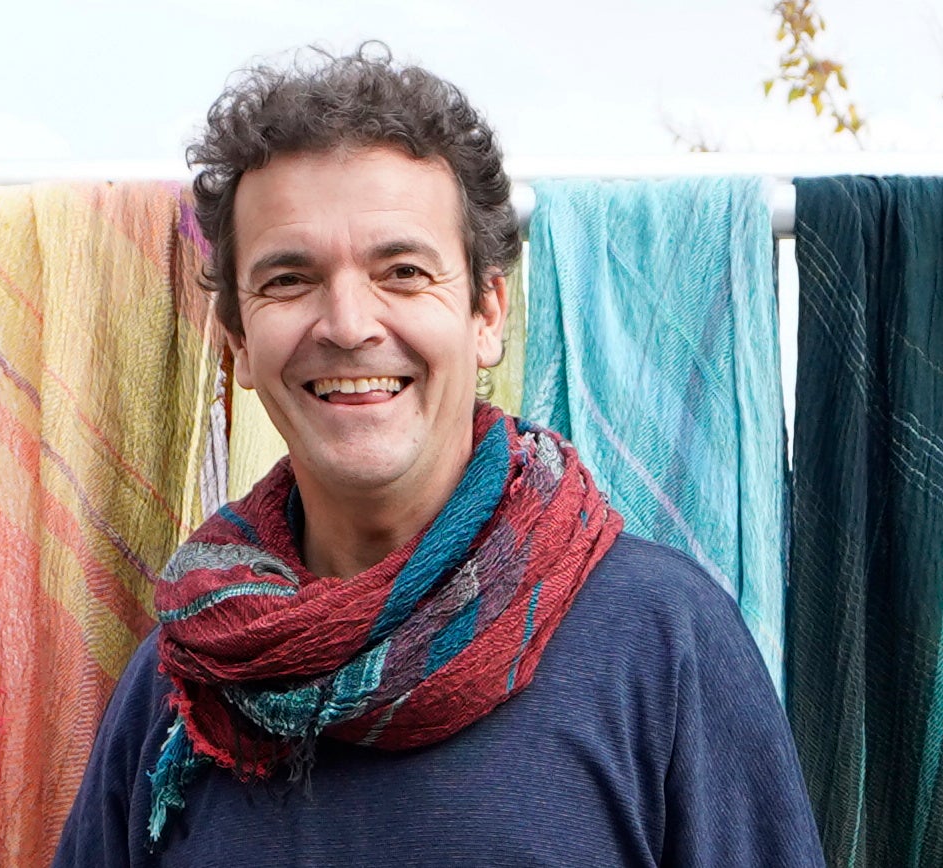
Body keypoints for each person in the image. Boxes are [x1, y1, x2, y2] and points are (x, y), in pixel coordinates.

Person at [54, 44, 825, 867]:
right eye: (289, 280)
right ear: (239, 340)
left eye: (402, 271)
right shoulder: (185, 678)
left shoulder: (659, 639)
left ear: (486, 313)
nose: (348, 324)